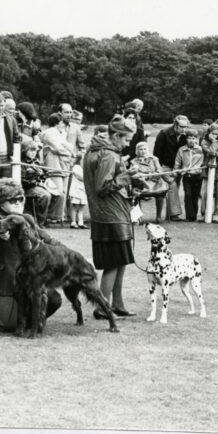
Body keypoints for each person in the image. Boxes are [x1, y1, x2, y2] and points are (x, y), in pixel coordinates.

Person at [0, 178, 62, 332]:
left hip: (27, 278)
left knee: (54, 300)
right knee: (10, 325)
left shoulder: (28, 219)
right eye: (12, 200)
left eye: (21, 199)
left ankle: (26, 315)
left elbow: (48, 239)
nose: (18, 203)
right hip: (2, 281)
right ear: (0, 202)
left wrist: (71, 254)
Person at [85, 115, 143, 319]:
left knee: (120, 261)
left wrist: (128, 180)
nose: (127, 144)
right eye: (126, 140)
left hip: (110, 213)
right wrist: (127, 177)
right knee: (113, 264)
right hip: (111, 216)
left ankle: (117, 304)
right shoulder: (108, 155)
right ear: (116, 136)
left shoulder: (97, 150)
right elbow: (102, 187)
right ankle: (102, 308)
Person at [153, 115, 190, 222]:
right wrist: (158, 170)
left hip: (177, 167)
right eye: (182, 127)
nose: (184, 129)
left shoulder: (184, 136)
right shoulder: (163, 133)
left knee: (174, 189)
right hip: (164, 166)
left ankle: (170, 215)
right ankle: (174, 215)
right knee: (172, 185)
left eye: (186, 127)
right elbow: (156, 153)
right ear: (175, 125)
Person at [39, 112, 73, 225]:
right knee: (55, 191)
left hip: (62, 164)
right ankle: (49, 216)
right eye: (62, 122)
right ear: (57, 123)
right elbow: (57, 148)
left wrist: (69, 151)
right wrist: (69, 154)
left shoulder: (60, 133)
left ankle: (57, 216)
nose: (64, 124)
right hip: (53, 165)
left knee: (62, 192)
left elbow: (68, 146)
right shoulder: (49, 133)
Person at [127, 141, 169, 223]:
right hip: (140, 184)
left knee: (160, 194)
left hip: (155, 183)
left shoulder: (154, 159)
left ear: (148, 149)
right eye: (140, 149)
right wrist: (140, 176)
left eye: (144, 149)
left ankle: (158, 216)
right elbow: (132, 173)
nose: (143, 151)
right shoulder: (133, 161)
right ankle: (137, 217)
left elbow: (159, 171)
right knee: (135, 193)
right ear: (137, 151)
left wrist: (149, 176)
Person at [200, 123, 218, 223]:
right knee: (204, 194)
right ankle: (204, 214)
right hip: (207, 171)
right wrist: (213, 142)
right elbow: (210, 152)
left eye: (217, 134)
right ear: (208, 133)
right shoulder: (204, 142)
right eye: (213, 134)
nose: (215, 136)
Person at [19, 138, 52, 226]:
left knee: (60, 195)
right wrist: (36, 182)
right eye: (31, 151)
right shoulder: (21, 163)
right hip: (27, 188)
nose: (34, 153)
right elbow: (22, 181)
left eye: (35, 151)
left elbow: (46, 174)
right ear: (24, 151)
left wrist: (43, 177)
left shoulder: (37, 162)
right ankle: (40, 222)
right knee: (45, 195)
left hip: (40, 186)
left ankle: (47, 219)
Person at [174, 129, 205, 222]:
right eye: (189, 138)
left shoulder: (201, 149)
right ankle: (189, 216)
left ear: (196, 139)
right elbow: (177, 163)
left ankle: (194, 216)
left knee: (195, 196)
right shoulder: (182, 150)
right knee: (187, 195)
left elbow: (204, 162)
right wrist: (176, 171)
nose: (191, 140)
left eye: (194, 138)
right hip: (187, 176)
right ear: (186, 139)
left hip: (198, 176)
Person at [68, 155, 88, 229]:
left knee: (81, 208)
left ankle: (80, 222)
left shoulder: (85, 169)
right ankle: (73, 222)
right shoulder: (76, 167)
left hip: (82, 191)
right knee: (75, 207)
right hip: (76, 190)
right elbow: (81, 177)